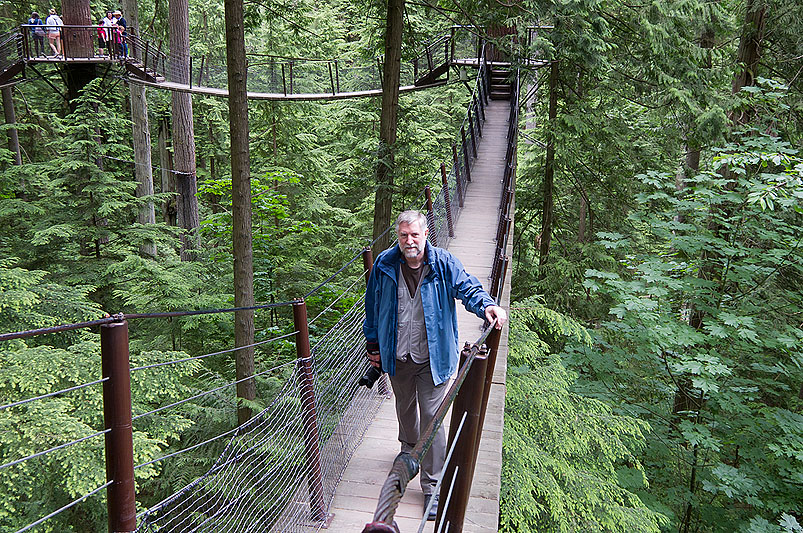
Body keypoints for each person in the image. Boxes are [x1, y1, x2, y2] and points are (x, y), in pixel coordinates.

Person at [363, 210, 507, 521]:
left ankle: (433, 484)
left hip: (433, 358)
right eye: (403, 235)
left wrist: (488, 306)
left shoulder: (443, 264)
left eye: (414, 234)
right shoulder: (385, 264)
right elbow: (372, 307)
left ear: (426, 234)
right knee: (404, 408)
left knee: (431, 417)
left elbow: (468, 288)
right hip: (398, 356)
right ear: (398, 237)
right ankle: (408, 454)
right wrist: (373, 347)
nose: (409, 241)